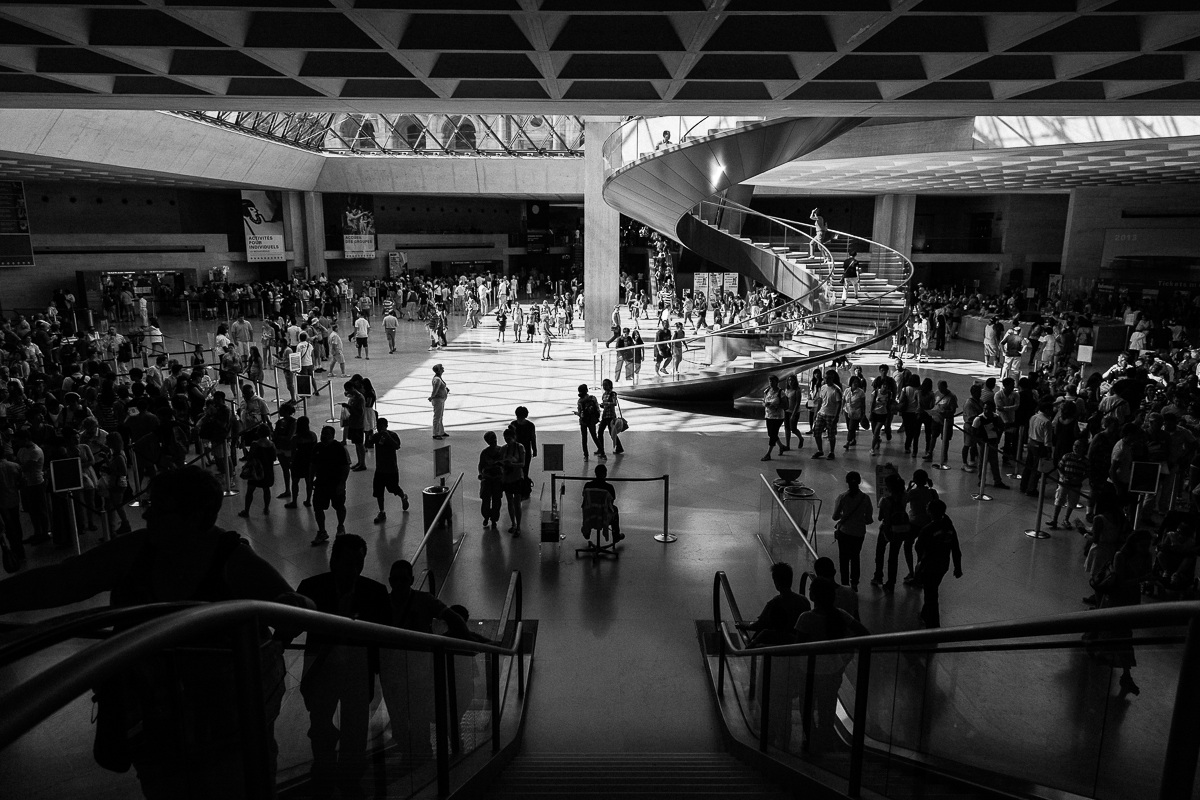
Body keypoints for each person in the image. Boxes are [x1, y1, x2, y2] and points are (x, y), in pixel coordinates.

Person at [0, 466, 302, 800]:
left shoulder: (227, 559)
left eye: (159, 509)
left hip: (218, 729)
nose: (147, 514)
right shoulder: (147, 550)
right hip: (172, 723)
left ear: (195, 515)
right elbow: (62, 581)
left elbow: (294, 608)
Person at [297, 534, 391, 800]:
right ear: (334, 560)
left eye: (358, 563)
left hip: (332, 669)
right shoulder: (374, 593)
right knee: (337, 725)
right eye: (350, 562)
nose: (354, 569)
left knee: (342, 725)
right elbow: (389, 636)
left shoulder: (313, 588)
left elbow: (289, 626)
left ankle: (329, 776)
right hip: (342, 671)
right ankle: (343, 779)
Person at [380, 559, 473, 764]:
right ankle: (419, 753)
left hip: (402, 674)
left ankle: (416, 755)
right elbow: (454, 618)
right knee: (409, 715)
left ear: (411, 580)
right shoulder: (423, 600)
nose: (399, 584)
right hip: (407, 673)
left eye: (402, 580)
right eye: (396, 580)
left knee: (410, 715)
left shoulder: (385, 604)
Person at [792, 578, 869, 751]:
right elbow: (863, 633)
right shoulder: (840, 614)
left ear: (814, 595)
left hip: (808, 670)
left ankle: (811, 740)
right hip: (833, 668)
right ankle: (825, 738)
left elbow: (798, 646)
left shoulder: (806, 618)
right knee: (827, 705)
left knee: (807, 706)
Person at [1086, 531, 1153, 696]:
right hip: (1119, 598)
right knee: (1122, 635)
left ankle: (1122, 671)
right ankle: (1126, 674)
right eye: (1143, 545)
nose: (1145, 548)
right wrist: (1143, 578)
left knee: (1116, 633)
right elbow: (1121, 582)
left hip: (1126, 599)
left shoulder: (1129, 556)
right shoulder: (1121, 556)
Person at [912, 498, 963, 628]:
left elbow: (918, 547)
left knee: (931, 595)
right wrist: (957, 567)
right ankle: (925, 613)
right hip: (943, 565)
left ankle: (933, 625)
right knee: (932, 589)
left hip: (929, 565)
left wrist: (920, 562)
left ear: (930, 512)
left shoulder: (928, 529)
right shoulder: (949, 527)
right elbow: (955, 548)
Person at [736, 562, 810, 646]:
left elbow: (759, 625)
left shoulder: (775, 603)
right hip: (796, 646)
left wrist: (741, 624)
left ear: (776, 582)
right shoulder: (803, 600)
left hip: (778, 644)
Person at [831, 471, 873, 591]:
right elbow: (869, 519)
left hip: (844, 532)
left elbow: (835, 516)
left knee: (843, 558)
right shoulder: (865, 498)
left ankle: (845, 583)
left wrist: (844, 516)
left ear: (847, 482)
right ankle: (854, 582)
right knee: (855, 556)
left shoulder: (842, 497)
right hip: (859, 533)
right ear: (860, 482)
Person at [310, 425, 350, 546]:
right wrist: (311, 479)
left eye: (326, 434)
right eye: (322, 433)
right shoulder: (317, 447)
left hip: (336, 482)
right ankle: (322, 531)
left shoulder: (339, 448)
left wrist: (342, 483)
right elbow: (313, 464)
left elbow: (346, 466)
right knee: (318, 507)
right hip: (321, 483)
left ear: (332, 435)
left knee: (339, 506)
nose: (323, 436)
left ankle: (340, 527)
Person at [871, 472, 910, 590]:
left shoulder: (885, 500)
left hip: (886, 530)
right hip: (900, 529)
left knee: (880, 553)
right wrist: (894, 471)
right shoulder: (904, 496)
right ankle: (891, 582)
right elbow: (901, 482)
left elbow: (880, 517)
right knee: (894, 557)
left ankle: (878, 576)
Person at [367, 417, 410, 524]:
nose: (380, 428)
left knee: (393, 488)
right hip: (380, 469)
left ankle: (403, 496)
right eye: (378, 425)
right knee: (378, 491)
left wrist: (388, 437)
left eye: (382, 425)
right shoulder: (377, 436)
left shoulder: (393, 435)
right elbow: (368, 444)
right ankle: (381, 511)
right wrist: (369, 435)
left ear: (386, 425)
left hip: (391, 469)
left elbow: (397, 446)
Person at [1048, 438, 1089, 530]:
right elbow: (1060, 467)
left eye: (1078, 446)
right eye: (1074, 445)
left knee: (1072, 502)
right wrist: (1062, 476)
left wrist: (1080, 479)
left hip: (1075, 485)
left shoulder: (1085, 461)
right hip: (1064, 483)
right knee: (1059, 499)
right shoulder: (1067, 456)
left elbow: (1087, 472)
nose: (1075, 447)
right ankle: (1054, 519)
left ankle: (1066, 519)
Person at [237, 424, 276, 518]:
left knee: (250, 490)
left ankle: (246, 511)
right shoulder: (271, 444)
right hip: (268, 470)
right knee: (266, 489)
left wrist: (244, 449)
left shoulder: (255, 443)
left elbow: (250, 457)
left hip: (256, 470)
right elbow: (274, 458)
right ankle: (266, 508)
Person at [583, 463, 623, 542]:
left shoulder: (587, 485)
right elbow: (611, 502)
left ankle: (587, 531)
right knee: (615, 510)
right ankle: (616, 535)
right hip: (604, 516)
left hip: (590, 515)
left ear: (595, 473)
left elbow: (585, 499)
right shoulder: (609, 487)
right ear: (605, 474)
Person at [286, 415, 317, 509]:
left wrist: (290, 462)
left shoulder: (295, 438)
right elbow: (315, 449)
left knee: (295, 482)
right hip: (309, 461)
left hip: (298, 461)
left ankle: (294, 501)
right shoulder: (312, 435)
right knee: (309, 481)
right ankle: (308, 500)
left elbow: (293, 451)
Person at [500, 427, 527, 535]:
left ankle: (518, 525)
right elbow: (500, 462)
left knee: (516, 503)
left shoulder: (520, 448)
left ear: (514, 437)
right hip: (507, 478)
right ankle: (513, 524)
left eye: (509, 438)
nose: (507, 441)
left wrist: (512, 464)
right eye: (506, 439)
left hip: (516, 477)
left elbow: (523, 464)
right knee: (510, 502)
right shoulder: (503, 449)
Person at [811, 370, 843, 459]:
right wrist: (816, 412)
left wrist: (836, 416)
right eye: (825, 378)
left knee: (831, 434)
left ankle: (831, 452)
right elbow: (821, 400)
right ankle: (820, 450)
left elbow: (838, 403)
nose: (826, 380)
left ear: (832, 378)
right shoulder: (823, 387)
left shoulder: (836, 390)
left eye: (829, 378)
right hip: (821, 412)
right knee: (816, 432)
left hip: (831, 414)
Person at [477, 431, 505, 530]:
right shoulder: (485, 453)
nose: (494, 440)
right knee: (486, 500)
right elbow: (481, 465)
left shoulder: (501, 451)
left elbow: (504, 464)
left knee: (497, 501)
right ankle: (486, 516)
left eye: (494, 438)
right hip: (488, 479)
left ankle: (494, 519)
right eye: (491, 439)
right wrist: (481, 473)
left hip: (497, 479)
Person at [510, 406, 537, 499]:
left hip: (516, 451)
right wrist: (535, 449)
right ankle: (524, 491)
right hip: (526, 451)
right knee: (525, 470)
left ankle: (518, 490)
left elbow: (510, 438)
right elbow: (533, 438)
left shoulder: (513, 424)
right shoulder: (530, 425)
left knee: (517, 471)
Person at [340, 381, 367, 471]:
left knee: (359, 444)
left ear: (352, 388)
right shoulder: (353, 397)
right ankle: (359, 462)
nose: (347, 392)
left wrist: (349, 407)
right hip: (353, 423)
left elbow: (360, 413)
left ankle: (363, 463)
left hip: (358, 424)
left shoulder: (359, 398)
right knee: (356, 444)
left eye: (348, 389)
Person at [575, 383, 604, 461]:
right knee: (594, 437)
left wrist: (577, 414)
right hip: (591, 420)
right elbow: (597, 409)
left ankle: (586, 456)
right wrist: (596, 418)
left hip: (583, 421)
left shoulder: (580, 401)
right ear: (587, 390)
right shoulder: (592, 398)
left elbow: (580, 413)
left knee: (584, 439)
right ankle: (602, 452)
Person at [761, 374, 786, 461]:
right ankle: (781, 446)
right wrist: (765, 404)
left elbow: (786, 405)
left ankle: (768, 454)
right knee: (771, 434)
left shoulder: (781, 392)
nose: (771, 383)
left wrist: (776, 406)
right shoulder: (767, 391)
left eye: (773, 381)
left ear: (777, 382)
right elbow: (763, 401)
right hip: (769, 415)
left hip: (778, 416)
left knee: (773, 434)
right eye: (770, 381)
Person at [598, 378, 624, 456]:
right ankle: (600, 448)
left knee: (612, 433)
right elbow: (606, 405)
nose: (604, 386)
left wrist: (606, 403)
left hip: (610, 417)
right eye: (603, 385)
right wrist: (603, 405)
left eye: (606, 385)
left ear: (610, 385)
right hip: (605, 415)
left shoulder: (613, 394)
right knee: (600, 432)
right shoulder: (604, 394)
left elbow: (614, 403)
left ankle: (619, 447)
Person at [430, 363, 449, 440]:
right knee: (437, 416)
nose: (443, 368)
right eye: (442, 368)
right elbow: (435, 390)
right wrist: (432, 397)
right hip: (438, 400)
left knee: (440, 416)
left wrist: (445, 390)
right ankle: (436, 433)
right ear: (439, 370)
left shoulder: (438, 378)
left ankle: (441, 431)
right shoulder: (437, 379)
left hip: (441, 399)